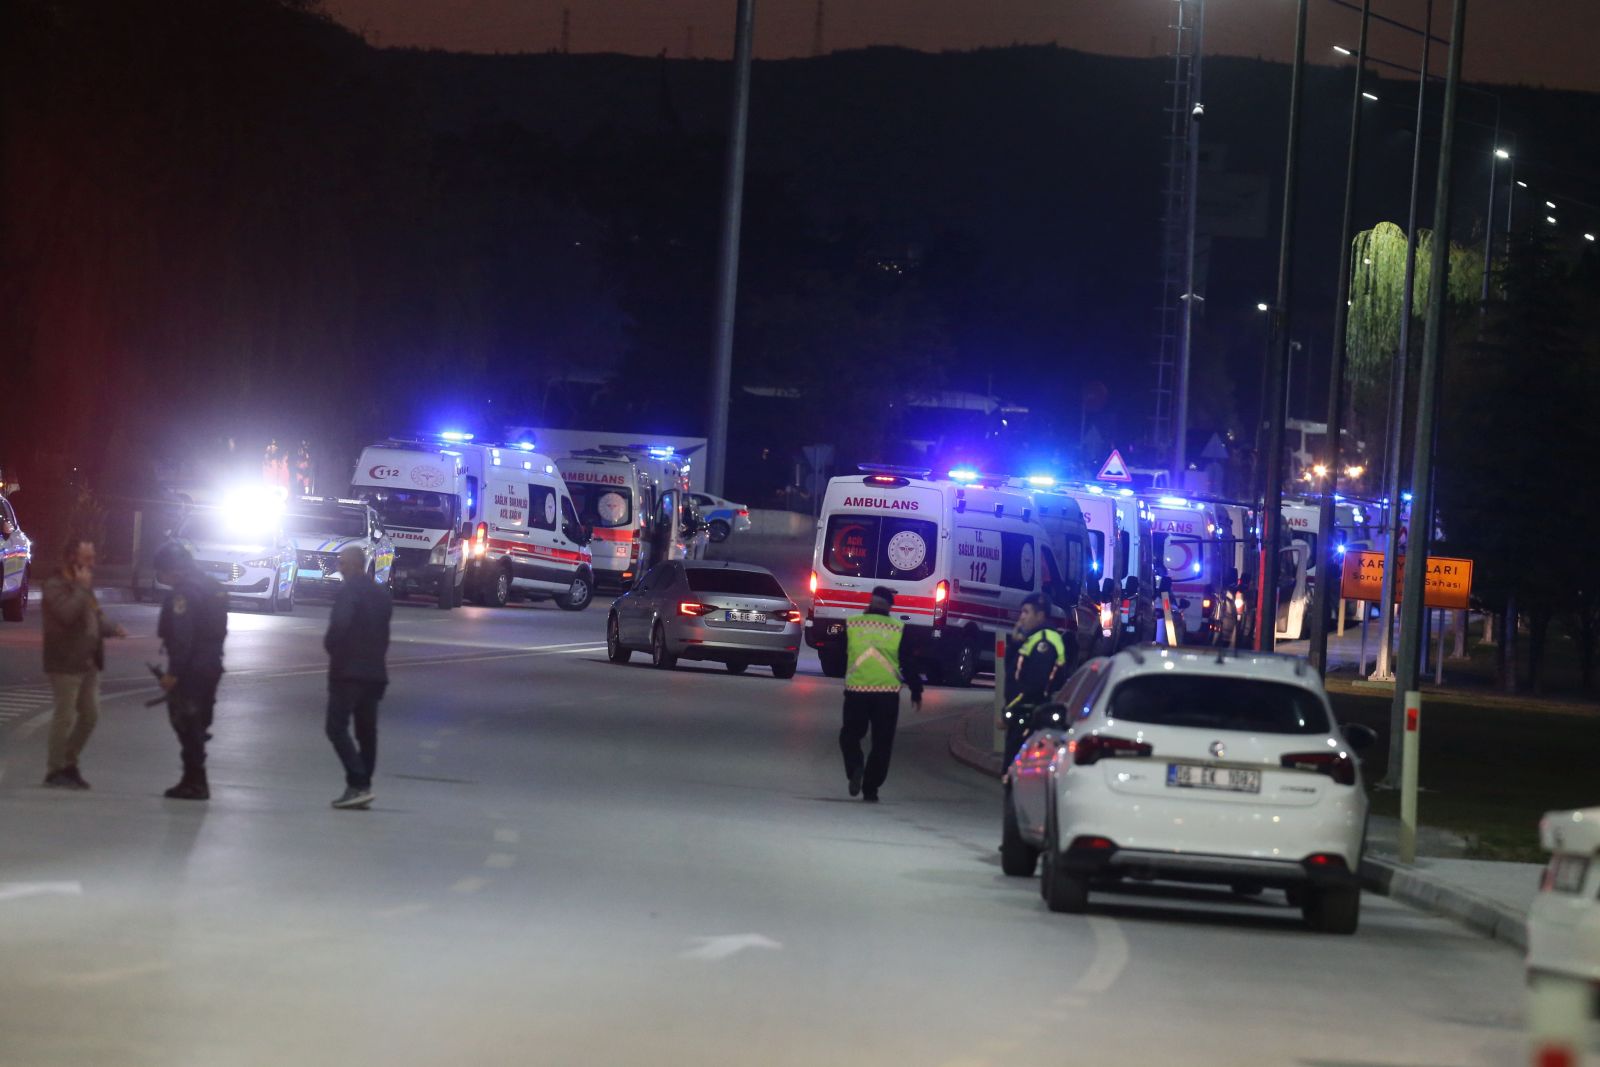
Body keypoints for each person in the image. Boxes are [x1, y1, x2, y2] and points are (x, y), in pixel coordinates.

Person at [42, 539, 125, 788]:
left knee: (90, 715)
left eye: (93, 557)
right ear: (70, 558)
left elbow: (95, 617)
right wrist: (80, 588)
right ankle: (56, 770)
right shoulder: (55, 585)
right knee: (64, 716)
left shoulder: (84, 586)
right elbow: (67, 614)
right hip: (65, 661)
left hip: (89, 661)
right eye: (86, 558)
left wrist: (112, 628)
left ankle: (69, 761)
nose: (92, 563)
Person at [154, 542, 229, 800]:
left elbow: (182, 638)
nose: (162, 579)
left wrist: (173, 673)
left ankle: (196, 781)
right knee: (199, 721)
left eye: (161, 573)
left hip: (191, 669)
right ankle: (193, 778)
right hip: (212, 664)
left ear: (172, 570)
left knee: (187, 723)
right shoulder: (214, 586)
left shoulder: (184, 593)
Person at [838, 585, 923, 803]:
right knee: (882, 743)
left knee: (850, 736)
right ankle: (870, 788)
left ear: (870, 602)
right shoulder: (898, 629)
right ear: (889, 607)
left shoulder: (854, 624)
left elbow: (839, 652)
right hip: (886, 695)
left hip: (856, 692)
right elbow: (908, 663)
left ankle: (855, 767)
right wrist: (916, 690)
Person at [324, 544, 392, 810]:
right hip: (375, 672)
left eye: (342, 563)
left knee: (335, 727)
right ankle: (363, 786)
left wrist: (332, 648)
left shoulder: (348, 592)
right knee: (367, 731)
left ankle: (358, 781)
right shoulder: (381, 595)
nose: (340, 569)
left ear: (352, 565)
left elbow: (339, 626)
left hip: (348, 671)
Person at [1001, 593, 1069, 767]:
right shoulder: (1032, 638)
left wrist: (1010, 709)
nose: (1021, 617)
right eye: (1021, 612)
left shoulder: (1043, 642)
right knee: (1011, 770)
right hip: (1023, 713)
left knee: (1014, 769)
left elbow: (1035, 684)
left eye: (1026, 612)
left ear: (1040, 616)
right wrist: (1015, 644)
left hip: (1030, 715)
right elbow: (1011, 671)